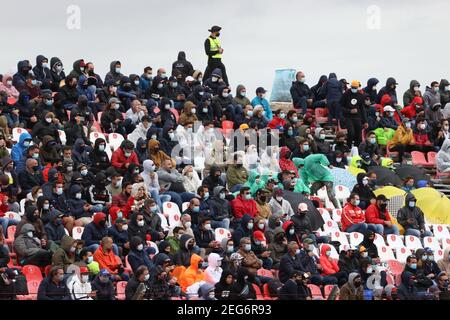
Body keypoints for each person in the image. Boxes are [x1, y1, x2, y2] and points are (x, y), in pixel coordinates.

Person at [340, 80, 368, 148]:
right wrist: (349, 111)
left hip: (358, 118)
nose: (354, 89)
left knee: (358, 135)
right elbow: (340, 107)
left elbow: (362, 109)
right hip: (348, 117)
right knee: (351, 133)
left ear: (358, 87)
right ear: (351, 87)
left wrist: (365, 121)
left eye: (355, 87)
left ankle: (357, 149)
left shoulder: (360, 95)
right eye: (353, 87)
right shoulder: (346, 94)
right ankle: (348, 147)